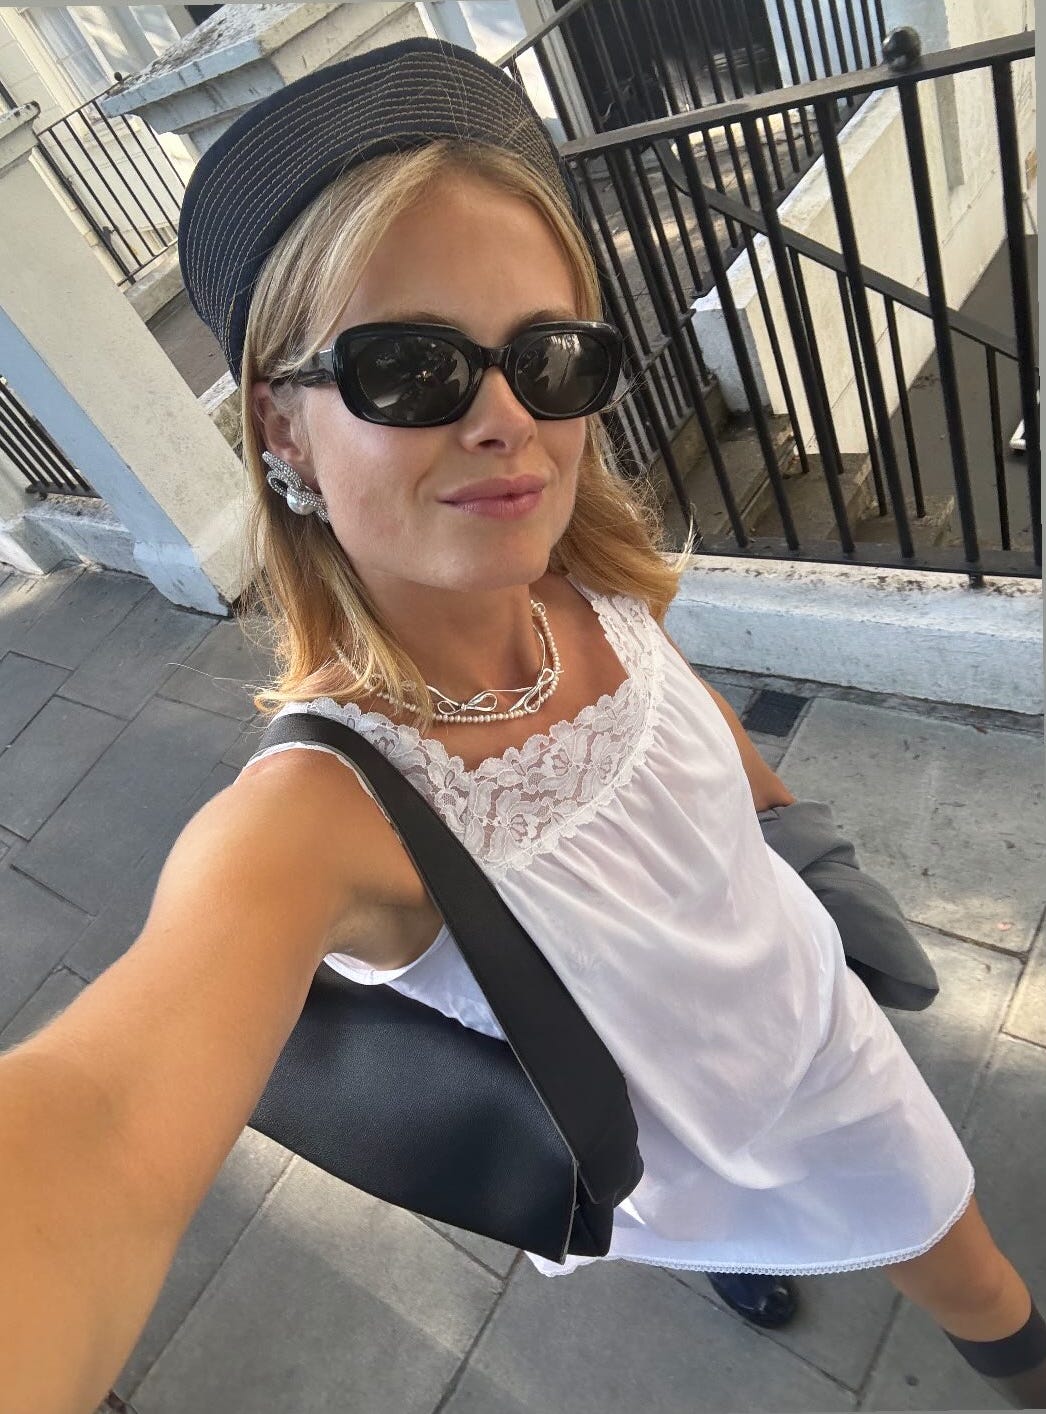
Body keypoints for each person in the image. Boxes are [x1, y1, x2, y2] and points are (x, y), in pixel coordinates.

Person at [1, 37, 1043, 1414]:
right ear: (282, 427)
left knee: (957, 1256)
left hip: (816, 1034)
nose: (508, 419)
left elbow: (682, 713)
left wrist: (801, 840)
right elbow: (98, 1127)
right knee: (956, 1277)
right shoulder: (311, 821)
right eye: (407, 367)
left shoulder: (574, 574)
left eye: (548, 357)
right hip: (657, 1140)